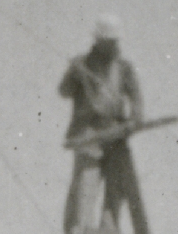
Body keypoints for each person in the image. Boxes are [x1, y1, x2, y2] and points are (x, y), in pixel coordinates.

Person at [59, 17, 144, 151]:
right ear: (98, 41)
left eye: (114, 41)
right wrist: (72, 76)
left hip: (116, 134)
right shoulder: (82, 64)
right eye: (109, 41)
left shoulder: (124, 67)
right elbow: (63, 92)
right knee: (89, 172)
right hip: (86, 137)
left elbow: (136, 97)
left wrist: (135, 118)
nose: (113, 45)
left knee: (122, 172)